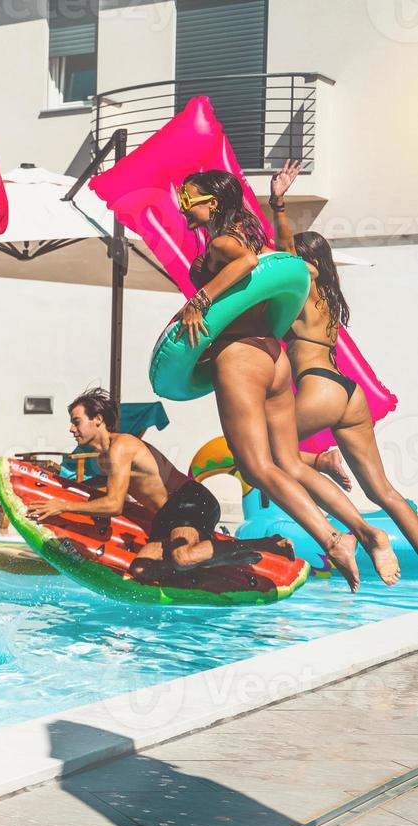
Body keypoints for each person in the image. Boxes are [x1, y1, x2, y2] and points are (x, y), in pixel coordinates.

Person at [175, 169, 398, 590]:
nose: (183, 206)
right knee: (289, 462)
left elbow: (245, 263)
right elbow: (281, 256)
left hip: (239, 357)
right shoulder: (244, 232)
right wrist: (278, 202)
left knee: (256, 467)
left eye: (189, 199)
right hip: (272, 356)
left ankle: (333, 540)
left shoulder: (226, 243)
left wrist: (199, 301)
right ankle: (367, 532)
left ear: (213, 203)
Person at [270, 160, 418, 556]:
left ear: (311, 264)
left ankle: (323, 467)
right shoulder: (328, 300)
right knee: (383, 491)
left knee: (263, 454)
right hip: (347, 392)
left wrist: (278, 204)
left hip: (320, 386)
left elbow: (284, 252)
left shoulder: (305, 283)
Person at [26, 390, 291, 580]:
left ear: (98, 419)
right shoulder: (105, 459)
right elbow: (105, 492)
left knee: (182, 557)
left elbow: (114, 504)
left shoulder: (122, 446)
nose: (71, 429)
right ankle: (208, 559)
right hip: (166, 517)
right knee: (142, 570)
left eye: (76, 421)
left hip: (189, 501)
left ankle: (266, 544)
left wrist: (61, 505)